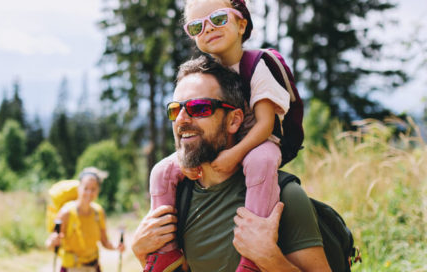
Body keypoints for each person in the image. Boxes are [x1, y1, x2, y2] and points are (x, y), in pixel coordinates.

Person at [134, 56, 330, 271]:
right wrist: (141, 253)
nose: (181, 119)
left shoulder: (285, 197)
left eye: (199, 108)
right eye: (174, 110)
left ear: (234, 120)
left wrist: (270, 259)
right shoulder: (176, 197)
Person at [147, 0, 291, 271]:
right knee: (161, 171)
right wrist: (187, 160)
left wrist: (235, 153)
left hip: (259, 141)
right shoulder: (209, 71)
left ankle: (252, 255)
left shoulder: (258, 65)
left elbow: (265, 124)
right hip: (223, 142)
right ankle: (165, 252)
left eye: (219, 19)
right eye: (197, 26)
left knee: (261, 161)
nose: (209, 29)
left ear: (241, 24)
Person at [45, 167, 125, 272]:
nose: (89, 193)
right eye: (85, 188)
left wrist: (116, 247)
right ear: (79, 188)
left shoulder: (98, 212)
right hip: (71, 268)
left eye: (93, 189)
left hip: (94, 267)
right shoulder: (66, 213)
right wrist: (52, 242)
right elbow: (51, 243)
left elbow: (105, 242)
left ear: (98, 190)